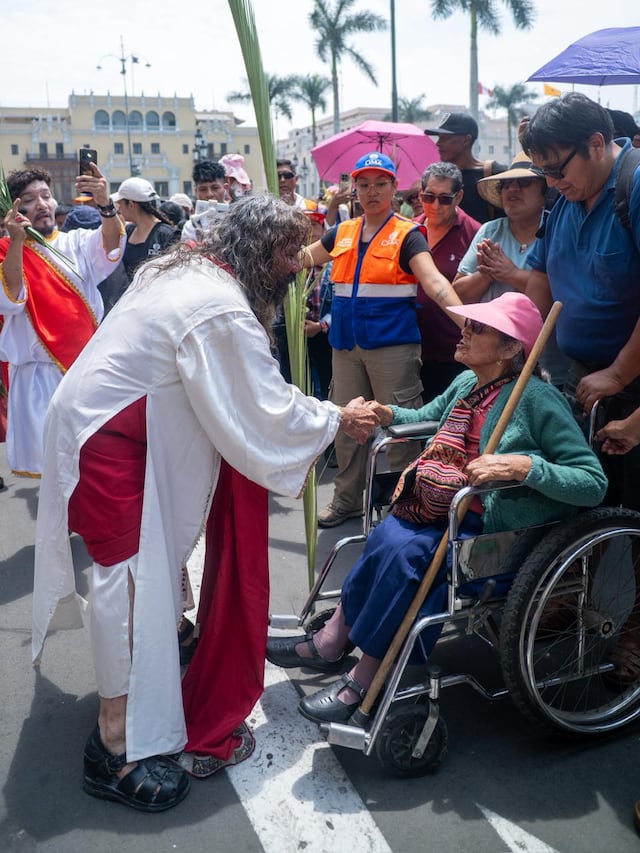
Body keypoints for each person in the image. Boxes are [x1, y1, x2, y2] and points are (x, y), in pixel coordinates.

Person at [32, 195, 378, 811]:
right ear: (258, 253)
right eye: (286, 256)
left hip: (103, 431)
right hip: (112, 448)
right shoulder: (218, 307)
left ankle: (138, 699)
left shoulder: (184, 266)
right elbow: (262, 405)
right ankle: (113, 747)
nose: (296, 269)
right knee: (128, 586)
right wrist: (334, 417)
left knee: (139, 585)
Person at [267, 292, 608, 724]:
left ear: (510, 349)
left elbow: (593, 482)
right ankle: (332, 639)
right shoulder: (468, 383)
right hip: (443, 507)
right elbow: (428, 415)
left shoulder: (538, 401)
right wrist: (385, 412)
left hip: (494, 529)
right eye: (467, 324)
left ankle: (367, 674)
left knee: (410, 555)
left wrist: (524, 465)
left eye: (478, 328)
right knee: (388, 536)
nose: (464, 331)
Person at [302, 151, 464, 528]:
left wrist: (467, 321)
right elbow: (302, 259)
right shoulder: (341, 232)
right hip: (345, 346)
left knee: (398, 429)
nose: (371, 191)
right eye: (364, 184)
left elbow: (436, 282)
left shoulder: (408, 234)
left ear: (394, 187)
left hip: (392, 348)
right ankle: (347, 500)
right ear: (354, 189)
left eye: (380, 184)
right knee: (346, 426)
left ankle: (404, 504)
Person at [522, 93, 640, 511]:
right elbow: (540, 277)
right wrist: (521, 353)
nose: (551, 182)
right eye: (544, 171)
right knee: (585, 511)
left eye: (556, 169)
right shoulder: (564, 201)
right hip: (585, 380)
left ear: (594, 143)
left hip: (630, 384)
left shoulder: (635, 185)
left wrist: (619, 375)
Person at [0, 165, 125, 476]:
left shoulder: (76, 243)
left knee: (92, 467)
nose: (42, 204)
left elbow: (111, 247)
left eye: (46, 195)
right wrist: (15, 242)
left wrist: (105, 205)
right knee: (55, 475)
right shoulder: (6, 251)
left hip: (83, 373)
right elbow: (11, 300)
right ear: (14, 208)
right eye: (29, 199)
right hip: (37, 379)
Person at [455, 152, 569, 387]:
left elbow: (562, 293)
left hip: (545, 360)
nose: (512, 190)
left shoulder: (558, 229)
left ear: (544, 191)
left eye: (524, 183)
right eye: (506, 184)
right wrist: (486, 274)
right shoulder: (490, 231)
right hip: (490, 359)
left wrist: (510, 274)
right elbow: (459, 292)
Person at [413, 162, 480, 400]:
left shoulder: (474, 233)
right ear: (420, 194)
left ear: (459, 196)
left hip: (454, 353)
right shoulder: (411, 229)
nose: (435, 206)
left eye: (444, 199)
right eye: (428, 197)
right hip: (412, 349)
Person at [424, 112, 507, 223]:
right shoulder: (436, 178)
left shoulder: (494, 173)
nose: (438, 143)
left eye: (445, 138)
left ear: (466, 140)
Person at [113, 177, 180, 283]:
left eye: (119, 203)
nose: (118, 208)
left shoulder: (167, 235)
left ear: (131, 205)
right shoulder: (128, 231)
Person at [180, 160, 229, 243]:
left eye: (215, 188)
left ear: (225, 188)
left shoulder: (237, 219)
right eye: (203, 189)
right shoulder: (191, 226)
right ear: (196, 192)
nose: (209, 194)